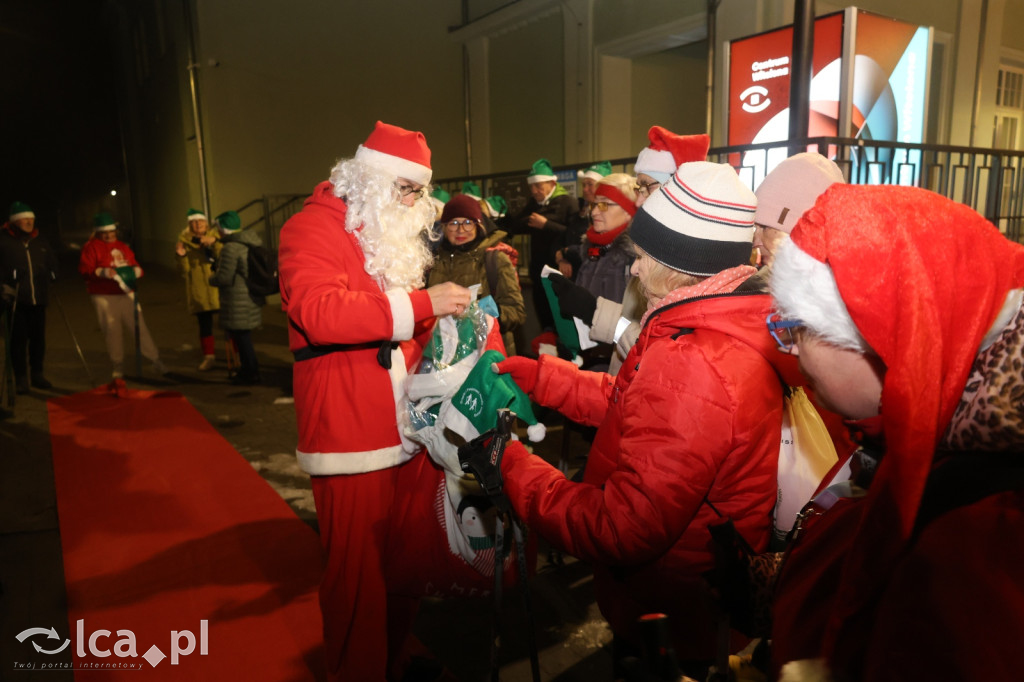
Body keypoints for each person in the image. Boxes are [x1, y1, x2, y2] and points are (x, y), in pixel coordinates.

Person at [493, 161, 790, 677]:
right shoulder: (707, 324)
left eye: (643, 257)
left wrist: (511, 466)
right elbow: (634, 403)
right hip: (683, 600)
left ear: (682, 264)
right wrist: (546, 380)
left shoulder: (696, 359)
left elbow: (621, 527)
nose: (632, 269)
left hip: (673, 617)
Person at [767, 184, 1024, 681]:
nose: (790, 348)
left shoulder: (970, 556)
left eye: (796, 326)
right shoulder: (926, 445)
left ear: (880, 336)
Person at [277, 121, 474, 681]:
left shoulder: (386, 231)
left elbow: (405, 322)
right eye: (406, 190)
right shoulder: (310, 229)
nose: (416, 203)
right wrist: (421, 304)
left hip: (408, 424)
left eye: (419, 191)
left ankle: (394, 652)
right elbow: (319, 313)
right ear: (368, 179)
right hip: (351, 429)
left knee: (402, 561)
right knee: (356, 576)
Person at [585, 129, 710, 374]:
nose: (639, 201)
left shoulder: (687, 261)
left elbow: (659, 354)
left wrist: (595, 314)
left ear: (675, 186)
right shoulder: (655, 247)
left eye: (644, 187)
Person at [426, 194, 525, 354]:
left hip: (485, 354)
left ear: (478, 225)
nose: (461, 230)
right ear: (444, 226)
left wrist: (481, 314)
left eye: (467, 223)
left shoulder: (495, 259)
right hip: (443, 353)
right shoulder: (434, 262)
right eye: (454, 223)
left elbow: (516, 312)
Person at [78, 212, 166, 379]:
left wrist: (135, 271)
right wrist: (102, 272)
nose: (109, 235)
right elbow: (85, 270)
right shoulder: (91, 247)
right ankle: (117, 364)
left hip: (127, 293)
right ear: (98, 232)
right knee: (113, 331)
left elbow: (134, 264)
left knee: (139, 327)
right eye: (105, 232)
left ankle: (155, 359)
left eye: (112, 231)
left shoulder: (123, 246)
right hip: (104, 296)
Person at [500, 158, 578, 332]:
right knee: (544, 317)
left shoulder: (568, 203)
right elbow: (516, 225)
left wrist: (546, 225)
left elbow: (573, 235)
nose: (534, 191)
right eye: (532, 187)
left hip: (560, 270)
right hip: (538, 270)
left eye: (538, 186)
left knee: (562, 319)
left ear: (552, 183)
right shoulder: (533, 204)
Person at [0, 201, 58, 392]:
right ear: (15, 221)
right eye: (25, 218)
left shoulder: (39, 240)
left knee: (38, 339)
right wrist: (8, 280)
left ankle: (37, 374)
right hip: (16, 299)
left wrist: (52, 274)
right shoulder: (4, 241)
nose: (29, 222)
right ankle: (21, 378)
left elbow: (51, 261)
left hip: (38, 298)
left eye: (31, 218)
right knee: (18, 341)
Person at [208, 210, 263, 385]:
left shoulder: (231, 248)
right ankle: (249, 369)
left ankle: (250, 373)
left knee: (242, 338)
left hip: (236, 300)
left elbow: (224, 277)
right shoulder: (249, 242)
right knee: (244, 337)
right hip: (248, 297)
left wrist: (212, 277)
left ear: (223, 228)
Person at [174, 208, 222, 371]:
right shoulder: (184, 241)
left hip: (218, 287)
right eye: (194, 222)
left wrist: (213, 243)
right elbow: (184, 271)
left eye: (200, 221)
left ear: (206, 223)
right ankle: (209, 357)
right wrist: (180, 256)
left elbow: (223, 255)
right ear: (189, 225)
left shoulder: (217, 236)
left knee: (230, 324)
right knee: (205, 325)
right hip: (199, 289)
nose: (198, 224)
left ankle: (236, 356)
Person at [563, 160, 613, 267]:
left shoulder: (610, 214)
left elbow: (599, 252)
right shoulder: (581, 209)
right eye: (583, 185)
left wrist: (567, 252)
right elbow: (565, 236)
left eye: (590, 184)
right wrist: (563, 258)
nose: (585, 189)